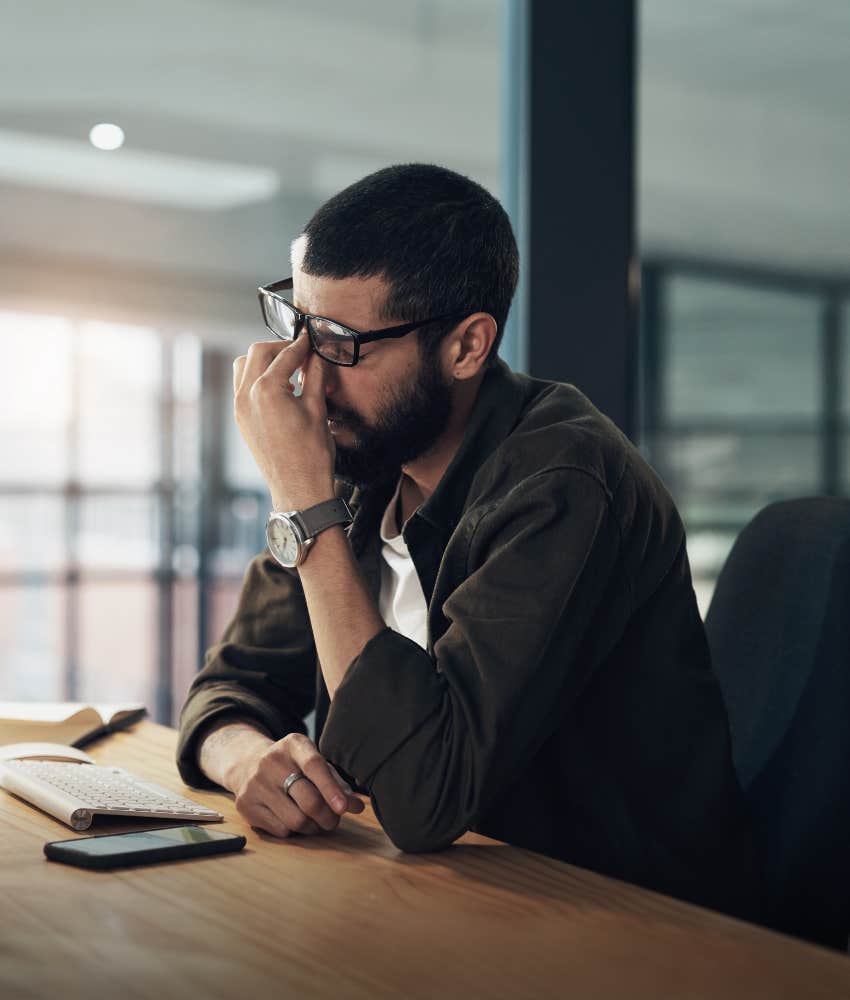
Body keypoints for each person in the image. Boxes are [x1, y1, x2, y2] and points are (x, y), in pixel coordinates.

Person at [177, 163, 760, 920]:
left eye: (341, 344)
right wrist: (246, 758)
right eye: (297, 327)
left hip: (624, 926)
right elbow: (228, 688)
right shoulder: (360, 467)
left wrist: (303, 504)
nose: (306, 379)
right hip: (446, 896)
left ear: (466, 347)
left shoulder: (563, 484)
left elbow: (425, 797)